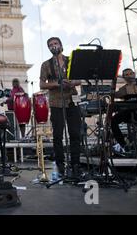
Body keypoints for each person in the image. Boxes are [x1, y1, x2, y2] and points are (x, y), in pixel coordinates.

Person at [40, 37, 82, 177]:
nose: (53, 46)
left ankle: (75, 164)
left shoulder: (71, 60)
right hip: (56, 102)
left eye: (55, 43)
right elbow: (42, 84)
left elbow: (80, 79)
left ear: (61, 45)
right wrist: (58, 84)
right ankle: (60, 164)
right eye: (50, 45)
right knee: (57, 135)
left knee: (75, 133)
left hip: (72, 100)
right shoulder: (46, 65)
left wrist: (72, 82)